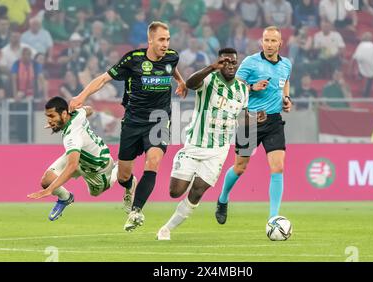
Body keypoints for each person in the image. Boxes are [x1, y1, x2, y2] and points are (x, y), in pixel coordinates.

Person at [69, 21, 187, 232]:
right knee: (123, 175)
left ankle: (136, 211)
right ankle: (129, 185)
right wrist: (81, 96)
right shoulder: (133, 60)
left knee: (153, 162)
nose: (165, 44)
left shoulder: (172, 55)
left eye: (168, 39)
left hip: (159, 120)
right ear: (150, 40)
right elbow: (104, 79)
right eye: (161, 39)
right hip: (133, 121)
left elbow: (172, 68)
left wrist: (181, 81)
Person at [156, 48, 249, 240]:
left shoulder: (242, 89)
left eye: (233, 62)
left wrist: (254, 120)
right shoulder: (209, 79)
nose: (230, 65)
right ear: (219, 63)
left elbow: (244, 115)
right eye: (225, 62)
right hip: (194, 145)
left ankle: (166, 229)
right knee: (175, 192)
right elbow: (190, 83)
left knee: (197, 192)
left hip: (218, 151)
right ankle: (182, 163)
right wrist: (211, 68)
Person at [215, 26, 293, 225]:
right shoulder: (250, 62)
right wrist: (252, 87)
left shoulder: (286, 64)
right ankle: (223, 198)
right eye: (266, 40)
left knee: (278, 167)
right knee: (240, 168)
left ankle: (273, 217)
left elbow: (285, 82)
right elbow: (232, 87)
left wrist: (286, 98)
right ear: (262, 42)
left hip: (274, 120)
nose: (269, 44)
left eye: (273, 41)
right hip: (249, 119)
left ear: (280, 44)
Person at [27, 96, 119, 221]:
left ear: (64, 114)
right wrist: (57, 122)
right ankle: (65, 198)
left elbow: (72, 166)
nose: (49, 120)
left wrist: (50, 190)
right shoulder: (76, 113)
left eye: (52, 116)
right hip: (80, 154)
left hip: (98, 165)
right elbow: (90, 110)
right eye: (47, 116)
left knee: (94, 193)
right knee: (46, 180)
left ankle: (116, 170)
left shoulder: (72, 135)